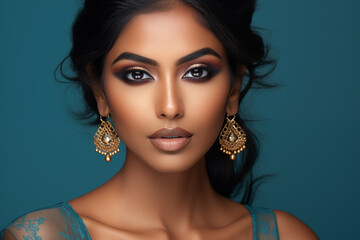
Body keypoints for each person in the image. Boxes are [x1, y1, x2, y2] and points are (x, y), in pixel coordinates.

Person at [0, 0, 319, 239]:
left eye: (197, 72)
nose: (169, 106)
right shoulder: (44, 235)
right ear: (100, 91)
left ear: (233, 89)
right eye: (137, 74)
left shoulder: (287, 235)